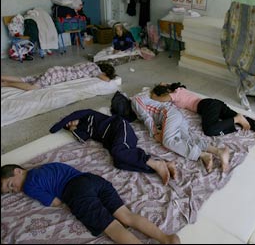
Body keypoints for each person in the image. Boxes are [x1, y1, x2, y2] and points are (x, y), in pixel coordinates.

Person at [1, 163, 180, 244]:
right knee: (127, 216)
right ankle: (166, 238)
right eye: (9, 191)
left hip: (76, 192)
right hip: (93, 180)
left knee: (112, 227)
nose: (14, 190)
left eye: (10, 185)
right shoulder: (46, 166)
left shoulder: (28, 185)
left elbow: (54, 201)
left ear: (18, 171)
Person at [49, 109, 177, 185]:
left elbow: (69, 118)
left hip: (119, 127)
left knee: (118, 152)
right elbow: (82, 139)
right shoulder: (83, 130)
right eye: (68, 125)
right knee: (118, 162)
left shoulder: (87, 114)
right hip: (115, 141)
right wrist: (72, 129)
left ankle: (158, 164)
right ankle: (163, 165)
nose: (70, 123)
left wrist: (61, 124)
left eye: (69, 121)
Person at [150, 83, 255, 150]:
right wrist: (163, 85)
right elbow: (165, 85)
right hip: (214, 103)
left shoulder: (175, 94)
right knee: (244, 120)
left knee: (209, 130)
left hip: (206, 106)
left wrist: (153, 94)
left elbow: (158, 98)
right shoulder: (180, 89)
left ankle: (236, 119)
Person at [131, 90, 230, 173]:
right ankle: (218, 151)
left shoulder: (135, 100)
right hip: (175, 115)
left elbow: (146, 117)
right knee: (186, 138)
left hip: (168, 114)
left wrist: (155, 133)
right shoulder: (140, 103)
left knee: (168, 141)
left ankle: (202, 154)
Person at [1, 61, 116, 91]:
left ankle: (3, 78)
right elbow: (106, 79)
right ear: (104, 72)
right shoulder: (96, 70)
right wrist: (112, 76)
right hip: (57, 75)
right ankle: (6, 84)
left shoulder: (91, 64)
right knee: (31, 87)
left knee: (25, 79)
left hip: (57, 70)